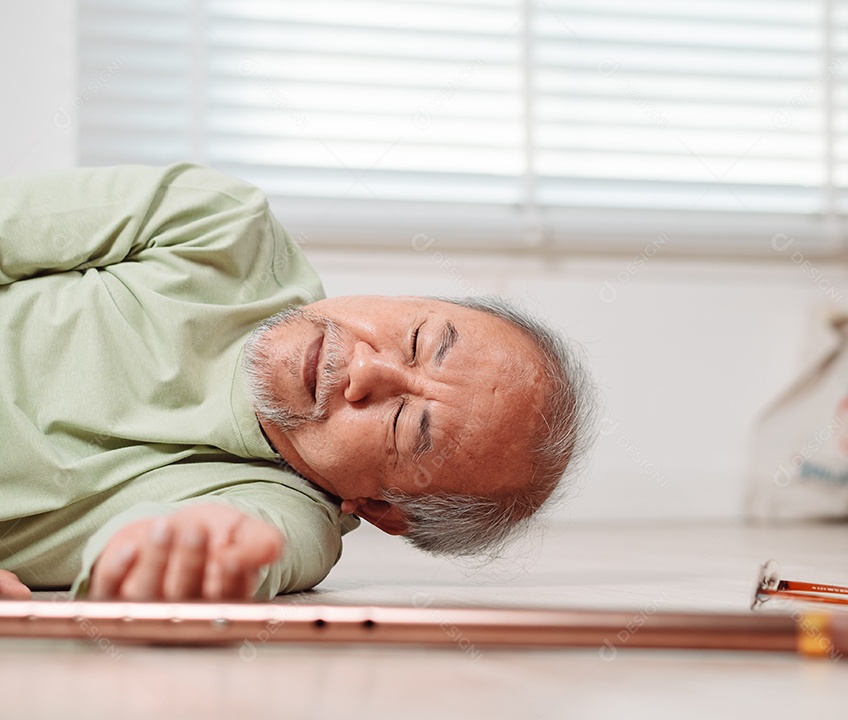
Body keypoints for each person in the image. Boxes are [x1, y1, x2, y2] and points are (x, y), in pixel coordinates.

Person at [0, 164, 595, 601]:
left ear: (384, 509)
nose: (366, 370)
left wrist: (186, 551)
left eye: (405, 423)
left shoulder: (289, 523)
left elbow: (216, 551)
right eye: (416, 340)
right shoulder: (220, 227)